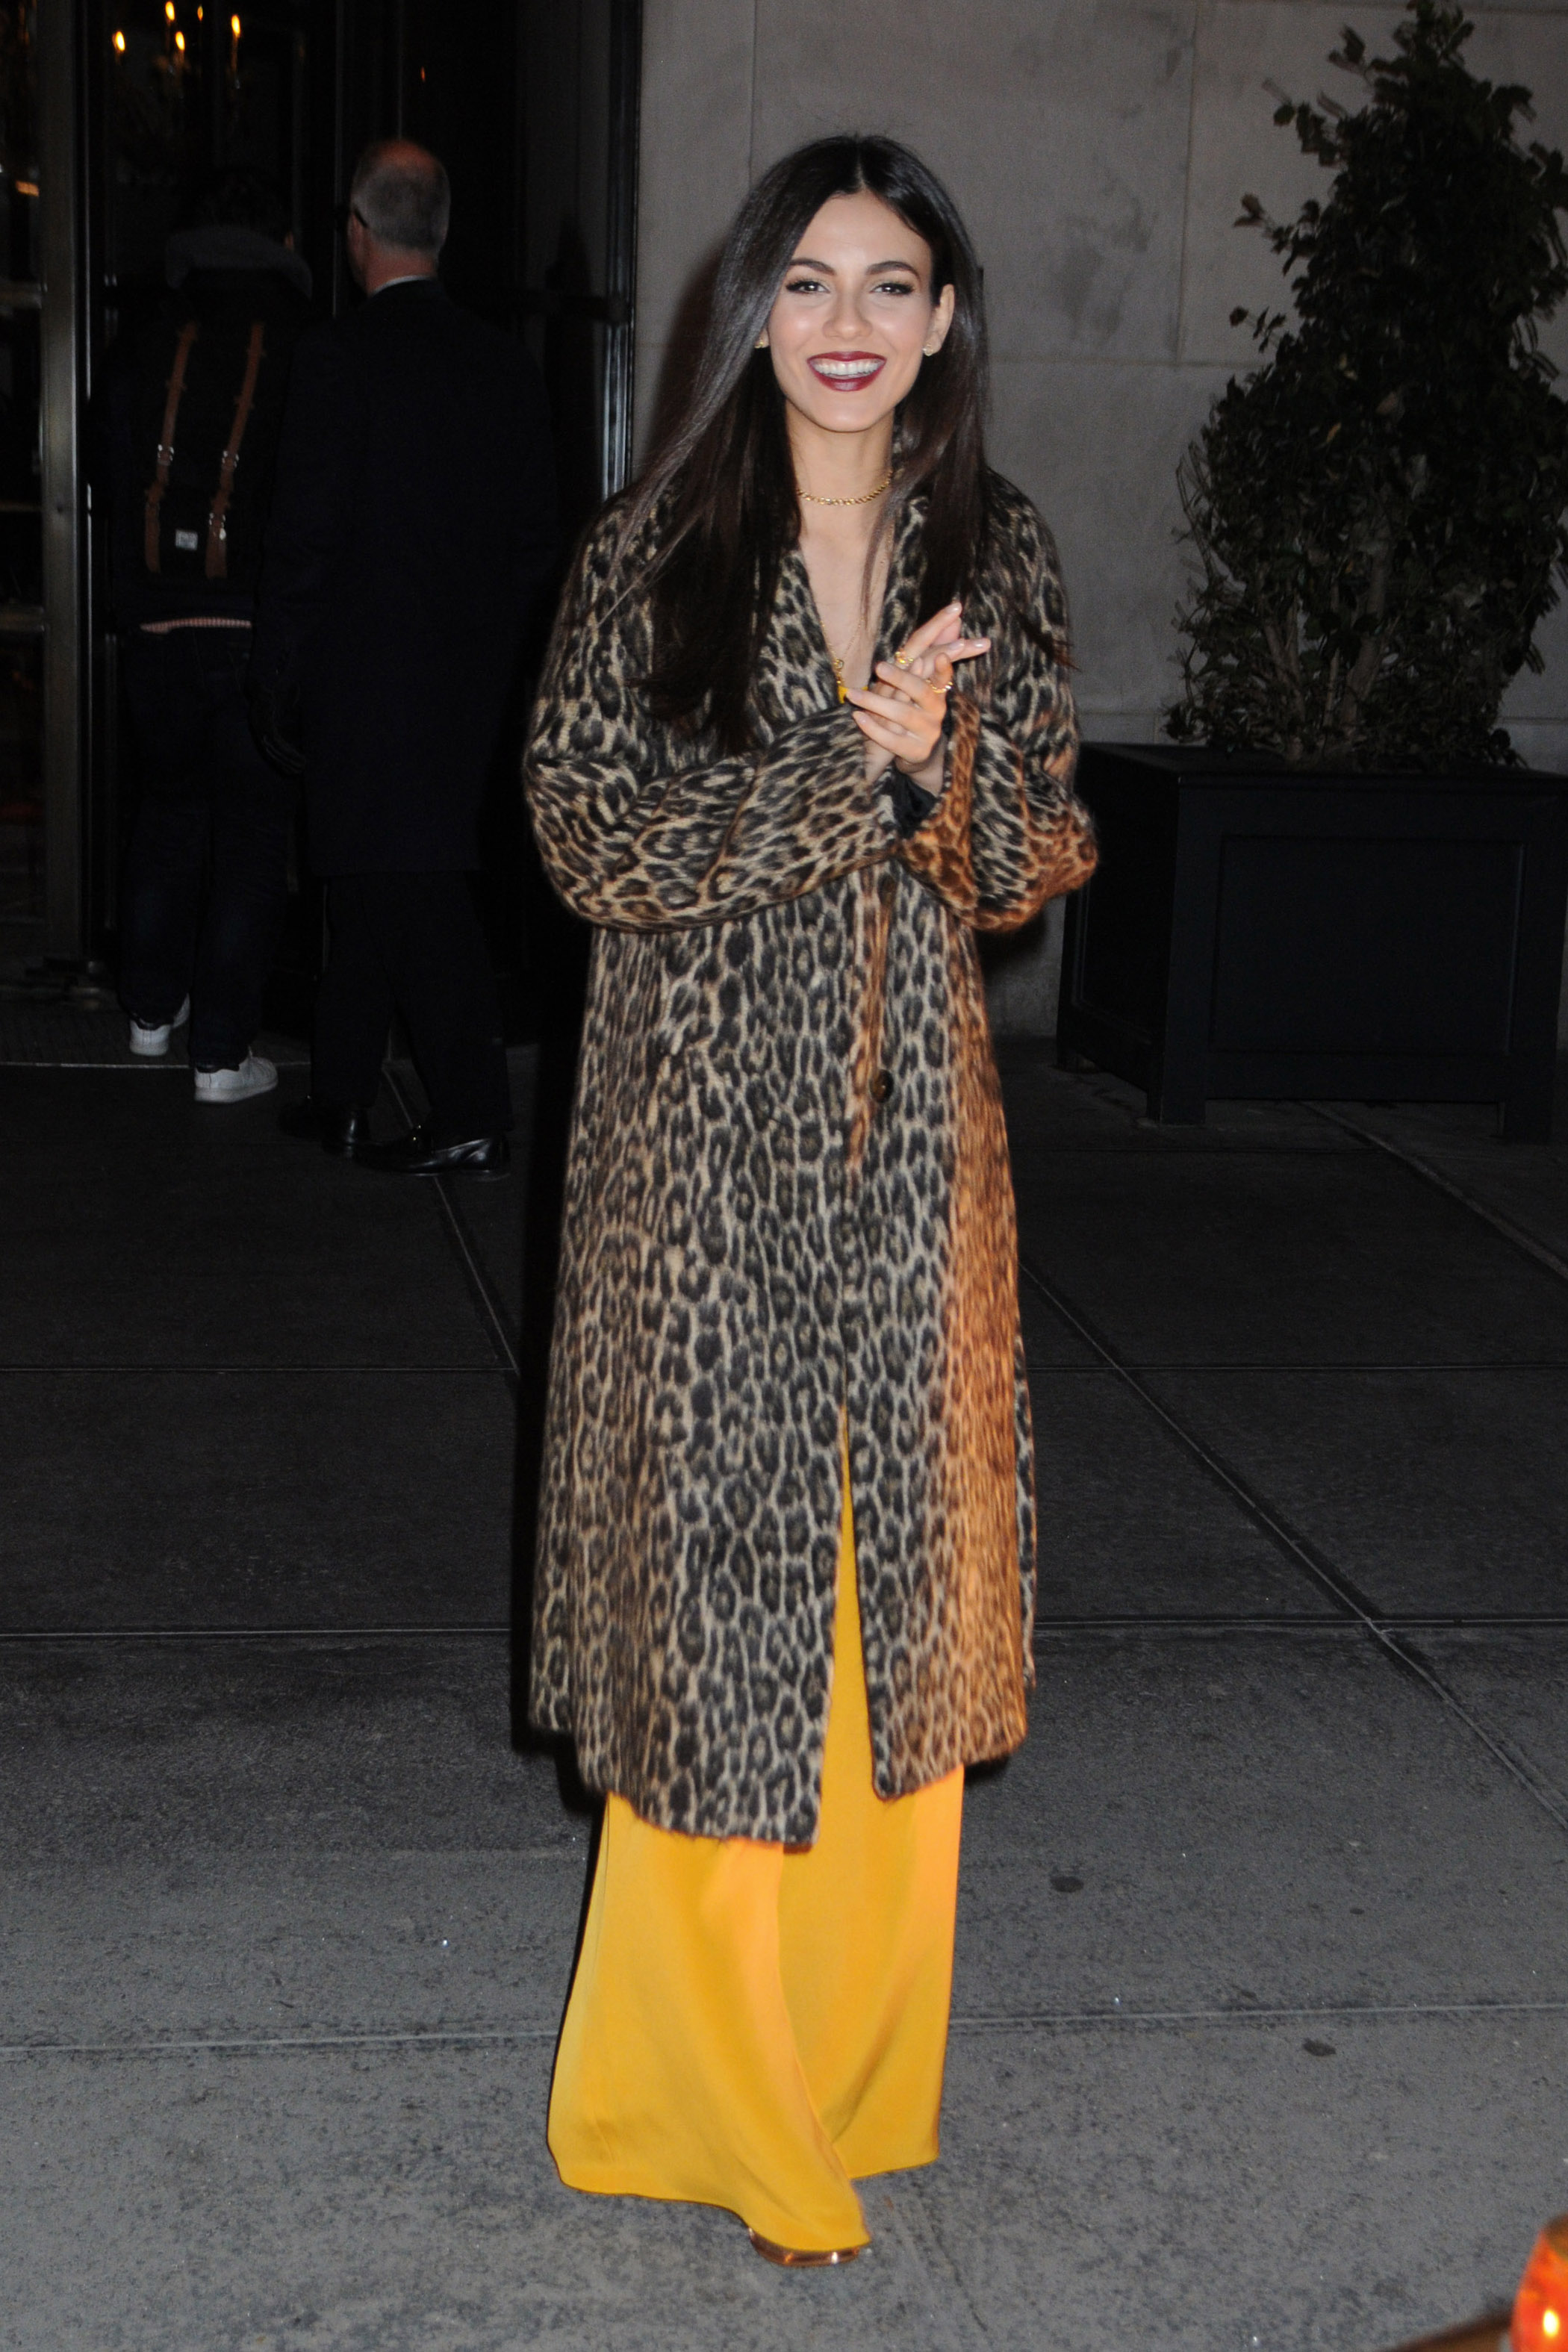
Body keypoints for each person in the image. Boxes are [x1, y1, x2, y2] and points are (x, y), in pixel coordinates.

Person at [523, 135, 1097, 2264]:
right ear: (750, 307)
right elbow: (588, 838)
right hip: (694, 1169)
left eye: (889, 285)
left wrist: (943, 779)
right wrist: (840, 768)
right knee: (713, 1628)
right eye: (809, 282)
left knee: (886, 1621)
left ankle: (852, 2086)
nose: (846, 325)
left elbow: (1028, 862)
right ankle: (701, 2110)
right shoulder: (652, 551)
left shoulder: (994, 549)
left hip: (919, 1160)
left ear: (941, 323)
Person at [251, 139, 557, 1175]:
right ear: (443, 231)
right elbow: (535, 539)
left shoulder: (336, 359)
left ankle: (471, 1113)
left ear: (356, 233)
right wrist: (496, 652)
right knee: (371, 874)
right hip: (464, 677)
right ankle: (341, 1094)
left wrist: (276, 672)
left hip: (361, 671)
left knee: (407, 881)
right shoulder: (504, 366)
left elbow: (304, 536)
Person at [109, 171, 312, 1100]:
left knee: (168, 812)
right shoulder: (302, 341)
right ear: (285, 243)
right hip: (250, 623)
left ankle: (151, 1015)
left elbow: (108, 461)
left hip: (156, 617)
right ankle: (221, 1056)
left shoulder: (153, 330)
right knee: (252, 839)